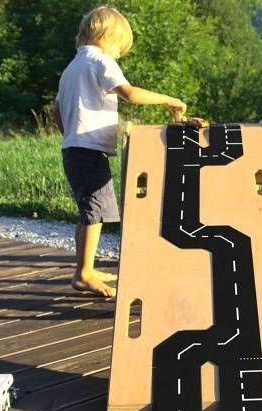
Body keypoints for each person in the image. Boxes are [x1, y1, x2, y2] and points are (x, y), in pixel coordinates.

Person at [53, 6, 186, 297]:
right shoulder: (102, 61)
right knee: (95, 211)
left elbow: (56, 110)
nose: (119, 55)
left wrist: (71, 133)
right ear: (107, 37)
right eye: (120, 48)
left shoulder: (71, 68)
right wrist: (168, 100)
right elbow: (130, 93)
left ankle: (84, 267)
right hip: (88, 149)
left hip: (73, 148)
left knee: (88, 211)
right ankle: (83, 274)